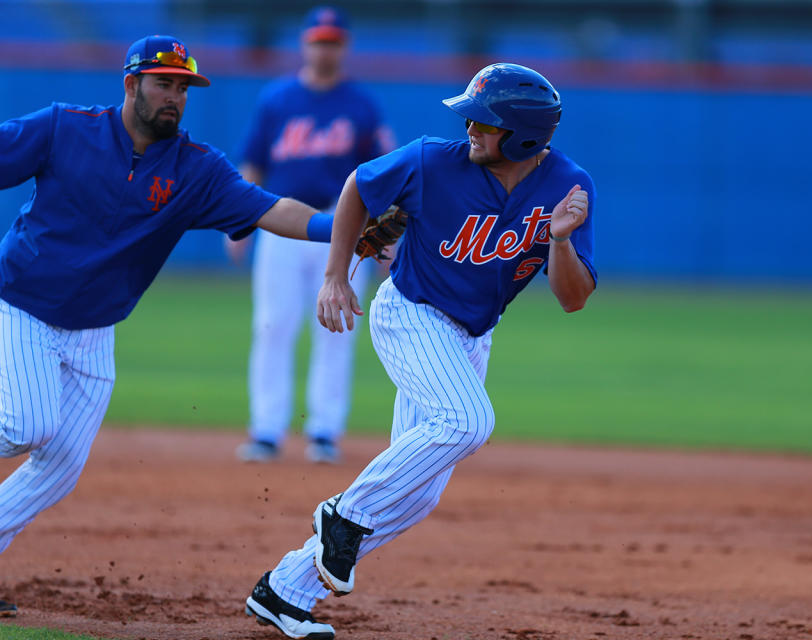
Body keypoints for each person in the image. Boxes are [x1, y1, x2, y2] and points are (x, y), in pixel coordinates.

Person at [243, 62, 596, 640]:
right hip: (411, 315)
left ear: (526, 135)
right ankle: (344, 513)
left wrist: (559, 240)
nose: (470, 128)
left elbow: (573, 298)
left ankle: (285, 590)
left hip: (472, 336)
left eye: (484, 120)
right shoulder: (434, 158)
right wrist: (335, 276)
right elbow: (359, 184)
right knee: (468, 420)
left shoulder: (568, 187)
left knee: (417, 497)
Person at [0, 35, 340, 617]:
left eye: (183, 87)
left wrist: (343, 227)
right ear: (131, 84)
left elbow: (270, 208)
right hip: (24, 305)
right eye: (163, 83)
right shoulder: (63, 128)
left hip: (94, 330)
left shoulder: (195, 170)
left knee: (59, 471)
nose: (174, 97)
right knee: (28, 421)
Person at [230, 6, 394, 465]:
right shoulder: (276, 99)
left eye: (333, 41)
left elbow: (381, 174)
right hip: (280, 223)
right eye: (318, 40)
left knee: (337, 329)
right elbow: (253, 164)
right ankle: (266, 429)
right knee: (272, 325)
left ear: (344, 46)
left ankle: (324, 430)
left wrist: (382, 234)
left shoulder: (361, 104)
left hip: (342, 229)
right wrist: (239, 224)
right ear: (305, 44)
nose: (325, 48)